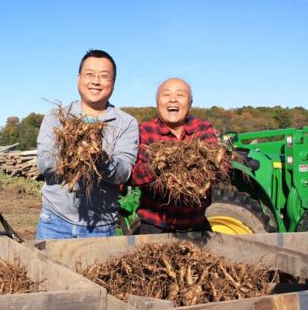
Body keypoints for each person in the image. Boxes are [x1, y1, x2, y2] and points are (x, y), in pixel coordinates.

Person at [35, 49, 139, 239]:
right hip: (54, 222)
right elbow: (43, 163)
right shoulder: (56, 117)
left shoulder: (126, 123)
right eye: (89, 74)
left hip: (101, 226)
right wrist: (71, 153)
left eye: (104, 76)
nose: (96, 81)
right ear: (79, 79)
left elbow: (123, 172)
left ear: (113, 83)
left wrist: (100, 159)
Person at [131, 77, 219, 234]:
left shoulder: (203, 129)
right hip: (155, 226)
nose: (173, 99)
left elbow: (221, 168)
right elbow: (132, 176)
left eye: (180, 95)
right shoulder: (145, 131)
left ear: (190, 102)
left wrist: (198, 170)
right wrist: (157, 168)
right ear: (157, 102)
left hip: (196, 226)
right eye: (166, 94)